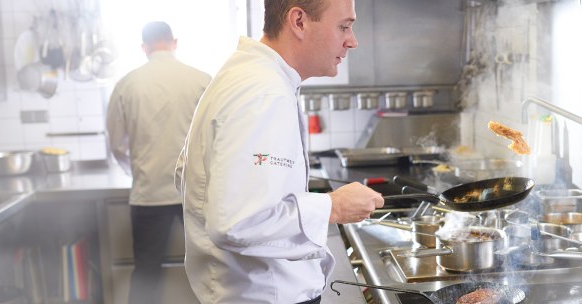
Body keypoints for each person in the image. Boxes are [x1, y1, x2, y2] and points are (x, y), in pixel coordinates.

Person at [174, 0, 383, 303]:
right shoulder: (263, 92)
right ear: (299, 21)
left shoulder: (248, 76)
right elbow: (236, 222)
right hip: (264, 295)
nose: (352, 40)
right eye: (344, 26)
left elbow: (187, 176)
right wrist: (332, 206)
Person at [106, 21, 212, 304]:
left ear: (144, 48)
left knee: (146, 273)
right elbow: (219, 138)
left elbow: (116, 144)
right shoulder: (202, 80)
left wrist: (138, 170)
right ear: (173, 42)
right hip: (196, 195)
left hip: (148, 195)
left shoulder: (127, 84)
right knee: (213, 271)